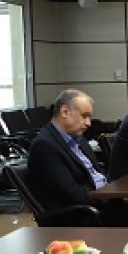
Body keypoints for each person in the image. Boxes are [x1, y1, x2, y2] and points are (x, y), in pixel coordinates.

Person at [26, 89, 109, 218]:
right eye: (84, 116)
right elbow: (74, 195)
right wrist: (109, 196)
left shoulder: (78, 138)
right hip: (83, 215)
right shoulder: (45, 146)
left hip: (102, 201)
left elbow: (98, 174)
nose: (88, 123)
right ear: (65, 112)